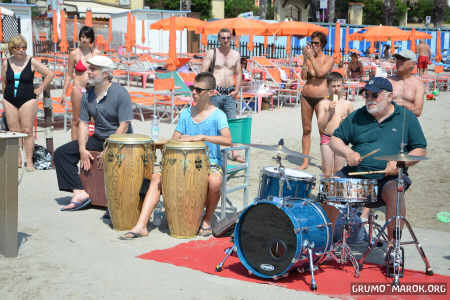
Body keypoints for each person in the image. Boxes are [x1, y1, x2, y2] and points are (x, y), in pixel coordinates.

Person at [120, 72, 232, 239]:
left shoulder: (218, 115)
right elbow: (175, 139)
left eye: (198, 90)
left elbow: (228, 140)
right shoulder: (186, 113)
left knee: (215, 181)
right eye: (192, 88)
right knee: (156, 177)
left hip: (209, 163)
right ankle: (141, 225)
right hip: (181, 162)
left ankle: (207, 220)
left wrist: (202, 137)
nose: (193, 92)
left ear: (210, 93)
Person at [330, 77, 427, 246]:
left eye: (374, 95)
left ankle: (392, 246)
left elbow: (420, 149)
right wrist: (347, 152)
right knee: (330, 190)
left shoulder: (406, 117)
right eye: (366, 95)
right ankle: (326, 241)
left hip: (387, 179)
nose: (369, 99)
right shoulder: (358, 115)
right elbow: (335, 139)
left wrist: (399, 164)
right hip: (357, 178)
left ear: (389, 96)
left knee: (395, 191)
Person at [54, 56, 134, 211]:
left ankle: (116, 199)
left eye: (93, 69)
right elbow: (83, 123)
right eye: (88, 68)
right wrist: (83, 149)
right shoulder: (88, 94)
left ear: (105, 74)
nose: (88, 72)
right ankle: (79, 191)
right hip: (98, 138)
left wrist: (109, 148)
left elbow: (124, 125)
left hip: (121, 140)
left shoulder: (121, 93)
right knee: (61, 154)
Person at [1, 34, 54, 170]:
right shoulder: (6, 62)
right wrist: (4, 97)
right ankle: (18, 160)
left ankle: (29, 161)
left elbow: (49, 74)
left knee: (27, 131)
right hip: (9, 99)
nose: (21, 50)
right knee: (14, 131)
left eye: (24, 47)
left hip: (28, 99)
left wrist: (40, 89)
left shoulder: (31, 61)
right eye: (18, 48)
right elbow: (4, 82)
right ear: (12, 49)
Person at [201, 28, 243, 162]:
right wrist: (209, 90)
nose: (226, 40)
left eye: (228, 38)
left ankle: (234, 153)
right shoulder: (211, 53)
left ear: (231, 39)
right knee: (212, 124)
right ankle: (210, 153)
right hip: (215, 93)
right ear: (218, 39)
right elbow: (203, 73)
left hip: (229, 93)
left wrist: (236, 90)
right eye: (223, 38)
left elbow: (239, 73)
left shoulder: (236, 55)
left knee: (232, 124)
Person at [299, 31, 335, 169]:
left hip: (321, 97)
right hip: (306, 96)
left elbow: (320, 73)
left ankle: (326, 161)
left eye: (316, 43)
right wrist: (305, 59)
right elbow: (304, 76)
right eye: (312, 42)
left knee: (323, 130)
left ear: (322, 45)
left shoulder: (329, 59)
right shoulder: (308, 58)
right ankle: (305, 161)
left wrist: (311, 60)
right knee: (306, 129)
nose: (313, 46)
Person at [62, 26, 101, 140]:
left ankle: (92, 145)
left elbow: (102, 72)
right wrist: (64, 92)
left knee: (93, 119)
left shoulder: (96, 53)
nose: (84, 39)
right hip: (78, 88)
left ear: (91, 39)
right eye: (82, 36)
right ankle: (73, 146)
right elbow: (69, 75)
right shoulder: (74, 54)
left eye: (87, 37)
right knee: (76, 120)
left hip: (92, 88)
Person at [317, 72, 353, 178]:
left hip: (341, 140)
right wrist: (329, 112)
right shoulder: (323, 103)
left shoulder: (347, 104)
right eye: (333, 86)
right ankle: (325, 193)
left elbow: (352, 125)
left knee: (339, 171)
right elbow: (320, 126)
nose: (336, 89)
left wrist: (346, 122)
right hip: (327, 138)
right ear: (328, 87)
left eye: (338, 86)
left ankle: (336, 194)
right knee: (327, 172)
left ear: (342, 86)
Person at [389, 49, 424, 117]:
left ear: (413, 63)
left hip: (407, 123)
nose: (398, 61)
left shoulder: (418, 84)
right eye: (397, 59)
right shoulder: (388, 81)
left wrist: (401, 103)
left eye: (402, 59)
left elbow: (418, 111)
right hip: (389, 122)